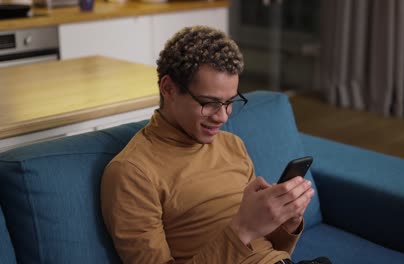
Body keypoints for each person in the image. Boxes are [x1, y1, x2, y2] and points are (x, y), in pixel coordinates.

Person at [100, 25, 315, 264]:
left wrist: (287, 222)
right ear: (169, 89)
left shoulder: (233, 145)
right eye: (209, 103)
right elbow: (244, 237)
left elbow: (266, 249)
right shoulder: (132, 172)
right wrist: (242, 229)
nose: (223, 117)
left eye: (230, 102)